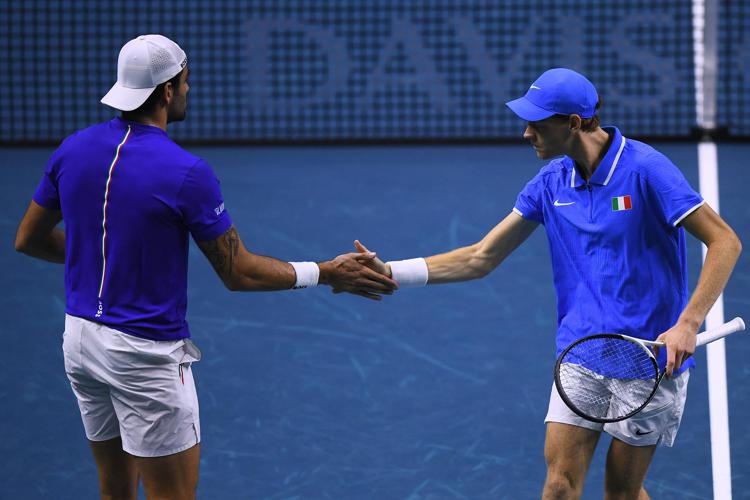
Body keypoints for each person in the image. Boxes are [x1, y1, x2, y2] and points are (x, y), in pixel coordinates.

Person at [14, 34, 397, 500]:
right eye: (186, 81)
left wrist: (99, 260)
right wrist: (327, 271)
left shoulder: (71, 149)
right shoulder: (186, 172)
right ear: (169, 90)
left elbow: (28, 239)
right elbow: (240, 272)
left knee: (114, 492)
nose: (189, 90)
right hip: (145, 357)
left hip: (79, 342)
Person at [347, 68, 742, 499]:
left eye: (537, 124)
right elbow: (481, 257)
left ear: (573, 123)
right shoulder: (551, 182)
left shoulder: (646, 169)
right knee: (558, 487)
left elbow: (724, 241)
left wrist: (688, 322)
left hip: (649, 359)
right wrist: (391, 274)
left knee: (622, 494)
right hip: (582, 351)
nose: (526, 133)